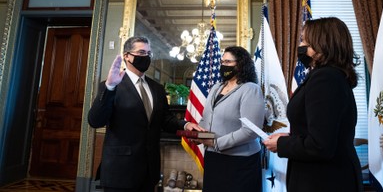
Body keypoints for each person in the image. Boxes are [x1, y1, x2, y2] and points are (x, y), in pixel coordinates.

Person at [88, 36, 202, 192]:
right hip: (120, 171)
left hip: (149, 171)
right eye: (141, 52)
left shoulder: (157, 88)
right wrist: (109, 88)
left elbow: (165, 119)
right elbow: (95, 121)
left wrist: (186, 124)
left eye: (149, 53)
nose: (146, 57)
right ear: (127, 56)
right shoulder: (112, 84)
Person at [263, 17, 363, 192]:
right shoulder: (330, 76)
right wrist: (292, 136)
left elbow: (320, 146)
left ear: (322, 45)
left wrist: (282, 145)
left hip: (323, 181)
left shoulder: (325, 79)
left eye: (304, 41)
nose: (300, 46)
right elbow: (319, 129)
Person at [194, 46, 265, 192]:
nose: (223, 65)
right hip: (213, 158)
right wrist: (197, 133)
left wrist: (216, 143)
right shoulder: (216, 87)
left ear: (240, 64)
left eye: (228, 62)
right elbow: (206, 118)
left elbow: (251, 131)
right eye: (222, 62)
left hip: (239, 162)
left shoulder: (250, 89)